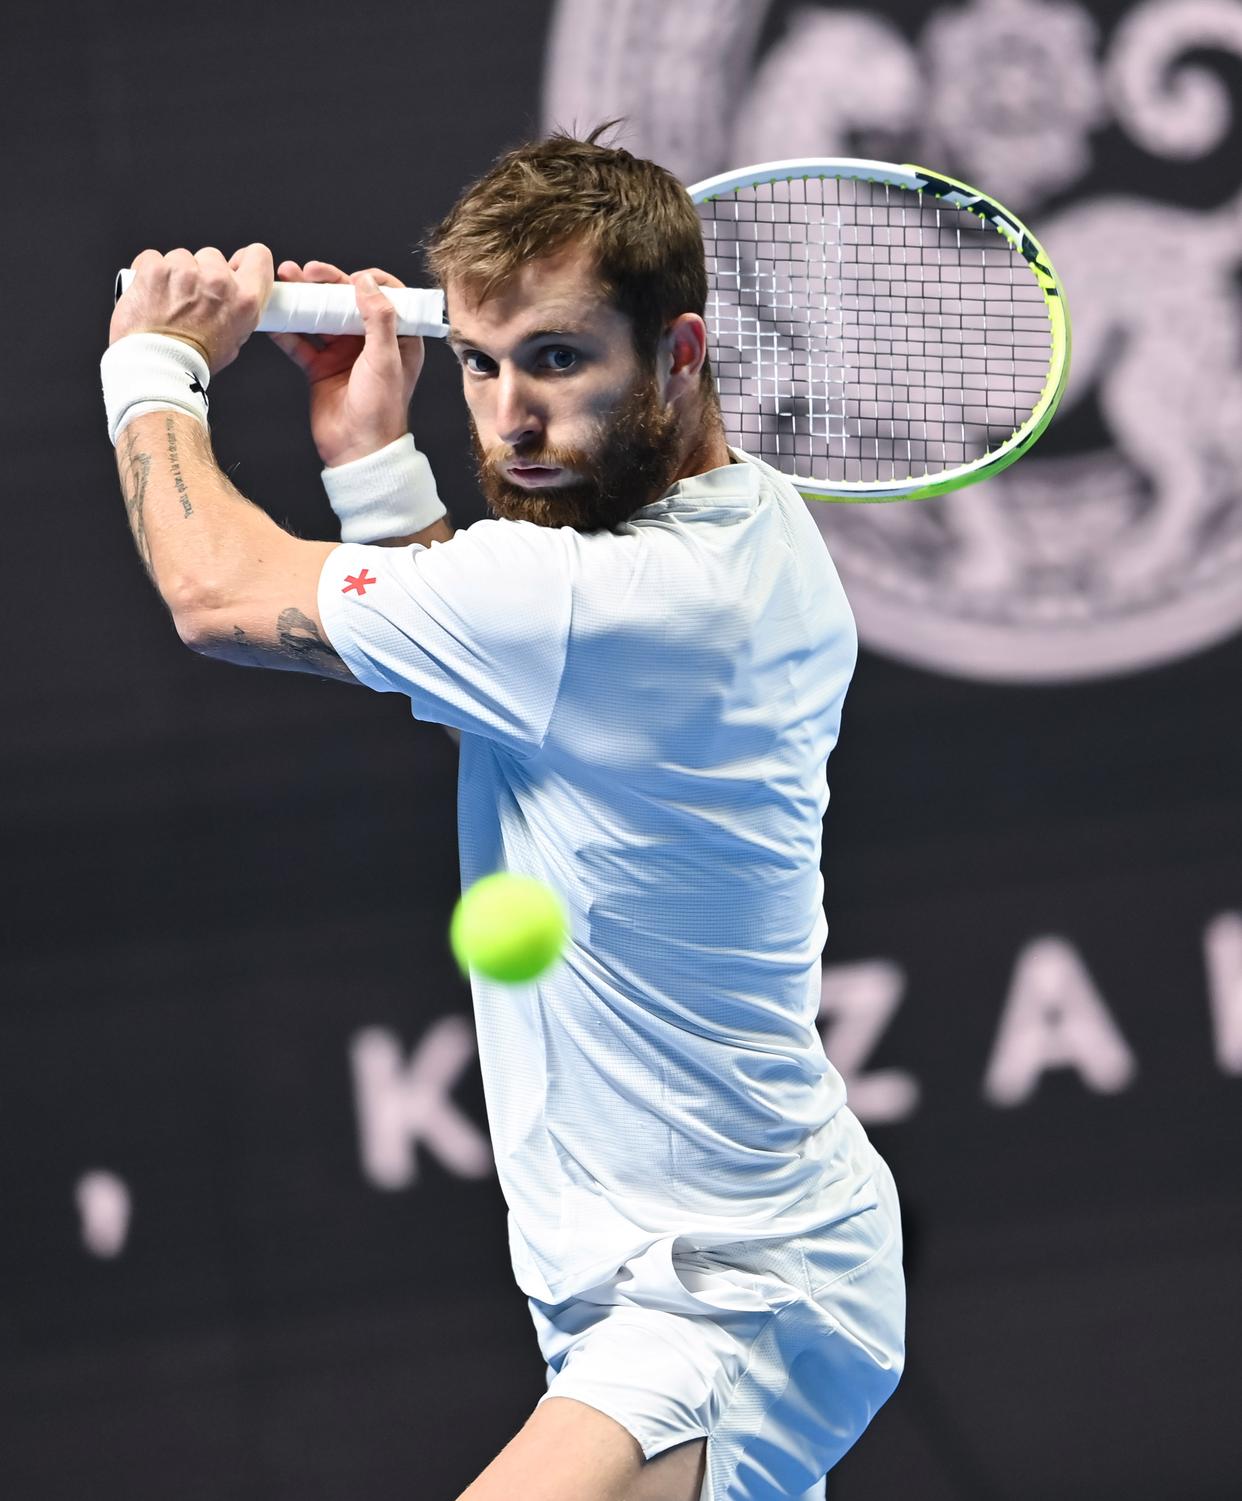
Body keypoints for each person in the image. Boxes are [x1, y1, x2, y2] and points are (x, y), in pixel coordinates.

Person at [102, 128, 905, 1501]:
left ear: (681, 351)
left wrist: (152, 364)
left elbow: (214, 593)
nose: (510, 416)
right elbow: (500, 671)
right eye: (478, 363)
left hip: (727, 1296)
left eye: (556, 359)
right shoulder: (748, 523)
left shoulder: (611, 599)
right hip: (694, 1274)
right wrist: (368, 455)